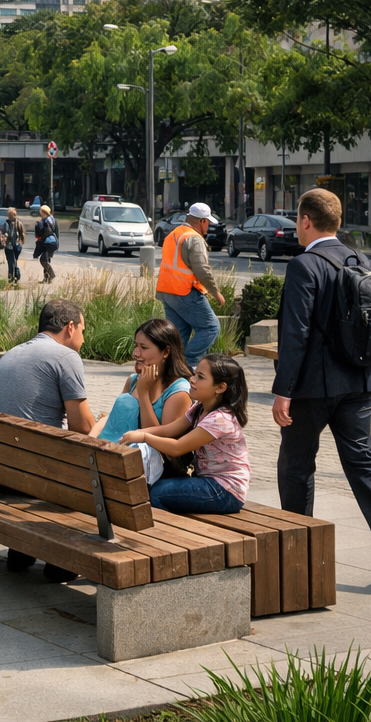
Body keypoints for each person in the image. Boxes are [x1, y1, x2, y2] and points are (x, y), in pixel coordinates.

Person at [272, 187, 371, 586]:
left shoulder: (304, 265)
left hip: (312, 387)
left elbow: (295, 334)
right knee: (362, 459)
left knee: (296, 465)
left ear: (306, 221)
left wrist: (283, 390)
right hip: (360, 380)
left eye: (297, 220)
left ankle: (298, 557)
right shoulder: (361, 260)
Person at [0, 299, 91, 581]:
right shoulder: (66, 357)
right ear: (70, 327)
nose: (83, 339)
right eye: (83, 330)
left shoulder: (12, 354)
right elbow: (82, 427)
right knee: (91, 473)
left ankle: (21, 549)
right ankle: (61, 560)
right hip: (34, 478)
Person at [119, 354, 250, 514]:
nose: (192, 379)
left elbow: (177, 448)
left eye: (200, 377)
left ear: (220, 387)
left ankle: (171, 529)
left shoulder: (219, 419)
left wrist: (144, 437)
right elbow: (168, 430)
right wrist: (138, 432)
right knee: (156, 487)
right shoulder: (199, 409)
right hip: (208, 482)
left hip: (225, 490)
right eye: (194, 374)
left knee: (157, 493)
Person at [92, 317, 194, 446]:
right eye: (136, 346)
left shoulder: (179, 391)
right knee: (126, 401)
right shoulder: (133, 380)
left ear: (166, 352)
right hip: (119, 449)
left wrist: (143, 394)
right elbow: (114, 420)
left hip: (152, 455)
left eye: (144, 347)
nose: (135, 353)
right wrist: (90, 438)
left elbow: (161, 442)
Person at [156, 202, 225, 369]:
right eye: (207, 222)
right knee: (211, 327)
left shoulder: (174, 234)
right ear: (202, 221)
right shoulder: (194, 238)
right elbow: (202, 270)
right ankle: (190, 364)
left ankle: (172, 368)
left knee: (179, 334)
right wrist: (215, 292)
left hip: (167, 291)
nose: (208, 226)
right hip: (185, 292)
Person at [32, 204, 59, 283]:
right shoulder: (53, 220)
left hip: (47, 243)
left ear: (43, 212)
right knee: (47, 260)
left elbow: (40, 234)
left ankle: (51, 275)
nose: (40, 213)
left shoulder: (44, 221)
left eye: (41, 211)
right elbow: (56, 232)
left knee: (43, 260)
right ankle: (47, 279)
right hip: (53, 243)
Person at [2, 207, 26, 286]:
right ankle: (16, 277)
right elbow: (22, 234)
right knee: (14, 261)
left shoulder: (6, 224)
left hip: (9, 246)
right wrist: (22, 242)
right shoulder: (19, 223)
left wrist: (3, 243)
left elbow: (4, 234)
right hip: (18, 246)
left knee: (11, 262)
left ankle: (11, 279)